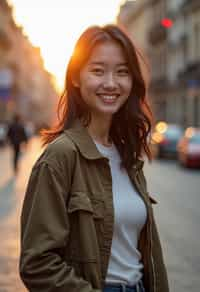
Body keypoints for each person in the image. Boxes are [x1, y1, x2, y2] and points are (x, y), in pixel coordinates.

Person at [19, 24, 169, 292]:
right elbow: (37, 263)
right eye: (98, 71)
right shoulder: (60, 157)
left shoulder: (127, 155)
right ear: (76, 78)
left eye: (122, 72)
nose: (111, 83)